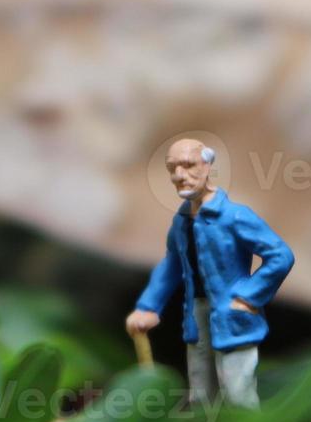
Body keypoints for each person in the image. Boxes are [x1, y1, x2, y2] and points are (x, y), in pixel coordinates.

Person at [125, 138, 294, 407]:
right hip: (196, 315)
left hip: (231, 314)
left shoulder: (234, 216)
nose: (180, 175)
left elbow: (280, 256)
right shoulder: (182, 220)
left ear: (207, 166)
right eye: (173, 168)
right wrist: (148, 306)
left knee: (238, 393)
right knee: (201, 391)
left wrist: (248, 296)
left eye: (189, 165)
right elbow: (172, 264)